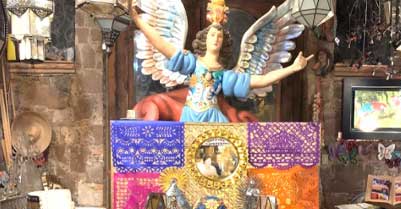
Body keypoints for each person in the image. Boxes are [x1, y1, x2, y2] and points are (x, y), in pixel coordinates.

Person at [130, 2, 313, 123]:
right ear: (205, 39)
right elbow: (161, 44)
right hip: (189, 116)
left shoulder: (225, 76)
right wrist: (138, 20)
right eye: (212, 35)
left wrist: (293, 68)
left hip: (214, 118)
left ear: (224, 42)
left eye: (219, 36)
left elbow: (262, 80)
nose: (216, 39)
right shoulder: (192, 64)